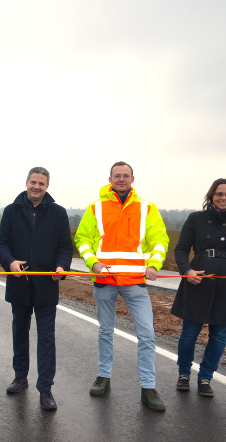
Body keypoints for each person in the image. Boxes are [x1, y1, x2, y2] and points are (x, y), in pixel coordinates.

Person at [75, 161, 169, 411]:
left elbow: (159, 239)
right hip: (105, 280)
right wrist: (92, 262)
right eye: (117, 176)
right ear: (110, 179)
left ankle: (148, 387)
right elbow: (82, 239)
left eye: (126, 175)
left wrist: (155, 265)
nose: (121, 179)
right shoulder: (95, 207)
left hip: (136, 281)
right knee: (106, 331)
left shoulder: (147, 208)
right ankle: (104, 376)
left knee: (147, 335)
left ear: (133, 179)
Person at [0, 168, 73, 410]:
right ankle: (20, 377)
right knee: (20, 332)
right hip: (19, 284)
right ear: (26, 182)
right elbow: (1, 243)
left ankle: (45, 388)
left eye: (41, 183)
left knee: (46, 338)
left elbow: (65, 247)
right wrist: (9, 262)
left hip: (46, 286)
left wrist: (61, 266)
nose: (36, 187)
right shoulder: (11, 210)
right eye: (33, 182)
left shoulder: (58, 213)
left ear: (47, 186)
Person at [171, 179, 226, 396]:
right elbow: (180, 250)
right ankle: (183, 373)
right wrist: (187, 271)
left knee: (218, 335)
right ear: (211, 196)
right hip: (198, 279)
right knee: (189, 333)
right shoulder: (196, 218)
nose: (223, 198)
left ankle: (206, 377)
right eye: (219, 194)